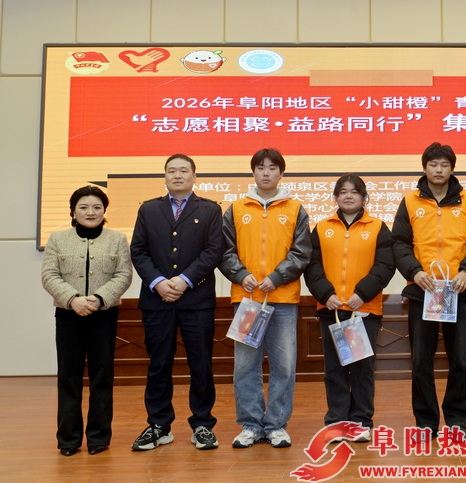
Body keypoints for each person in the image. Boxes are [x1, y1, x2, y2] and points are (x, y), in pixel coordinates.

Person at [392, 142, 466, 440]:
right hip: (422, 291)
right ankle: (425, 422)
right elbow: (399, 244)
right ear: (424, 168)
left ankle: (457, 422)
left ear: (452, 168)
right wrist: (415, 272)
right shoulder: (410, 202)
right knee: (421, 360)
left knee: (459, 359)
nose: (438, 169)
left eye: (444, 164)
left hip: (457, 291)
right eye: (433, 164)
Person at [129, 154, 224, 451]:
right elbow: (138, 251)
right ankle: (159, 425)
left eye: (184, 170)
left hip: (197, 299)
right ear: (165, 176)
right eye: (172, 171)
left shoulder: (210, 210)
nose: (177, 175)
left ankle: (203, 424)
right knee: (159, 364)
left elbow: (214, 250)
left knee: (201, 364)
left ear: (194, 176)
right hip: (157, 300)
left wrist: (184, 280)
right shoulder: (148, 209)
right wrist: (158, 282)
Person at [219, 148, 311, 449]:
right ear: (253, 172)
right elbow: (224, 250)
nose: (266, 172)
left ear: (281, 173)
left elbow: (302, 253)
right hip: (247, 299)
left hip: (282, 299)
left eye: (272, 167)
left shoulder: (295, 209)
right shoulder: (236, 208)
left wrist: (277, 277)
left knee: (284, 366)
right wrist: (240, 274)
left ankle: (276, 425)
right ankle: (250, 425)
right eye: (261, 167)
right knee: (246, 366)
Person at [41, 186, 133, 456]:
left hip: (103, 315)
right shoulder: (58, 239)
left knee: (101, 377)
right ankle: (68, 440)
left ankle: (99, 437)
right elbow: (49, 275)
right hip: (68, 316)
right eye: (83, 207)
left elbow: (123, 275)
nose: (90, 212)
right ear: (73, 211)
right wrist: (73, 300)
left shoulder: (117, 239)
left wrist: (99, 298)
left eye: (96, 207)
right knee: (68, 377)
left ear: (104, 211)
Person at [303, 173, 395, 440]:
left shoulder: (378, 227)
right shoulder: (321, 228)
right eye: (342, 191)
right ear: (335, 197)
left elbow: (385, 266)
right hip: (331, 309)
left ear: (364, 197)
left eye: (354, 191)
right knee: (335, 370)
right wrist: (326, 294)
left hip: (364, 310)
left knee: (362, 369)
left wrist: (361, 294)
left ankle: (362, 421)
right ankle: (337, 422)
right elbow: (312, 266)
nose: (348, 196)